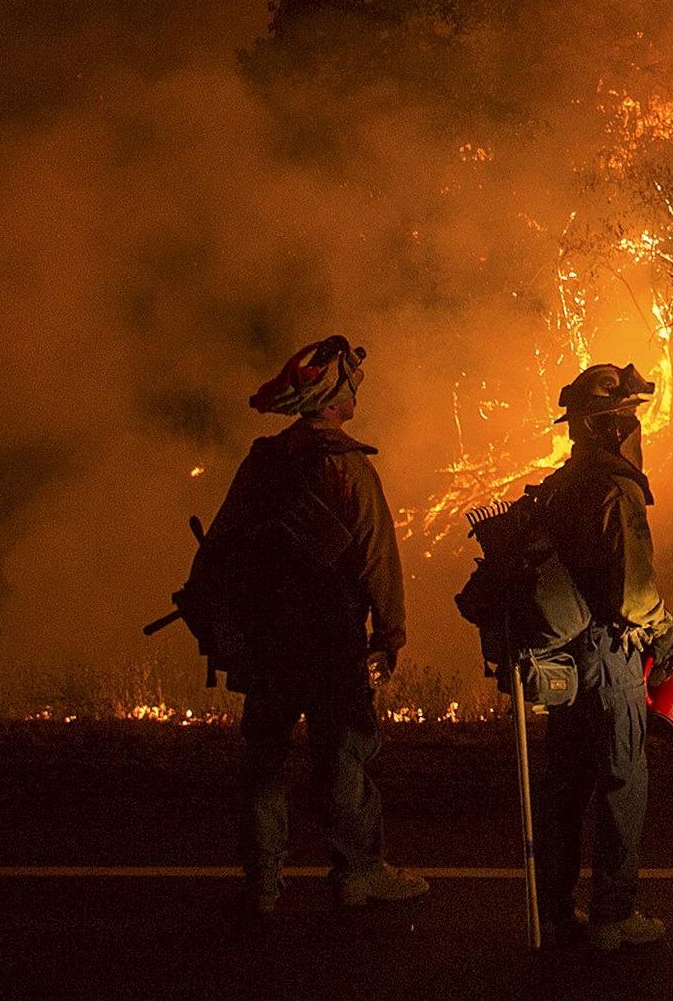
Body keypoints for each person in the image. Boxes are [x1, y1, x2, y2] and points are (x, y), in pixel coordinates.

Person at [216, 334, 426, 914]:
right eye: (350, 382)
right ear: (334, 397)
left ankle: (262, 883)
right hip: (332, 642)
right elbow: (378, 556)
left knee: (264, 760)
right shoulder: (347, 468)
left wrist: (228, 628)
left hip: (269, 644)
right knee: (343, 757)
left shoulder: (262, 463)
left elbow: (222, 544)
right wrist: (390, 634)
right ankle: (356, 875)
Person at [521, 362, 672, 949]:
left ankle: (556, 908)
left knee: (566, 786)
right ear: (613, 427)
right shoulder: (617, 487)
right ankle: (613, 914)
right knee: (620, 780)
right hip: (611, 658)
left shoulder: (561, 484)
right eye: (630, 418)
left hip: (565, 659)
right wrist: (663, 633)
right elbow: (634, 591)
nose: (636, 429)